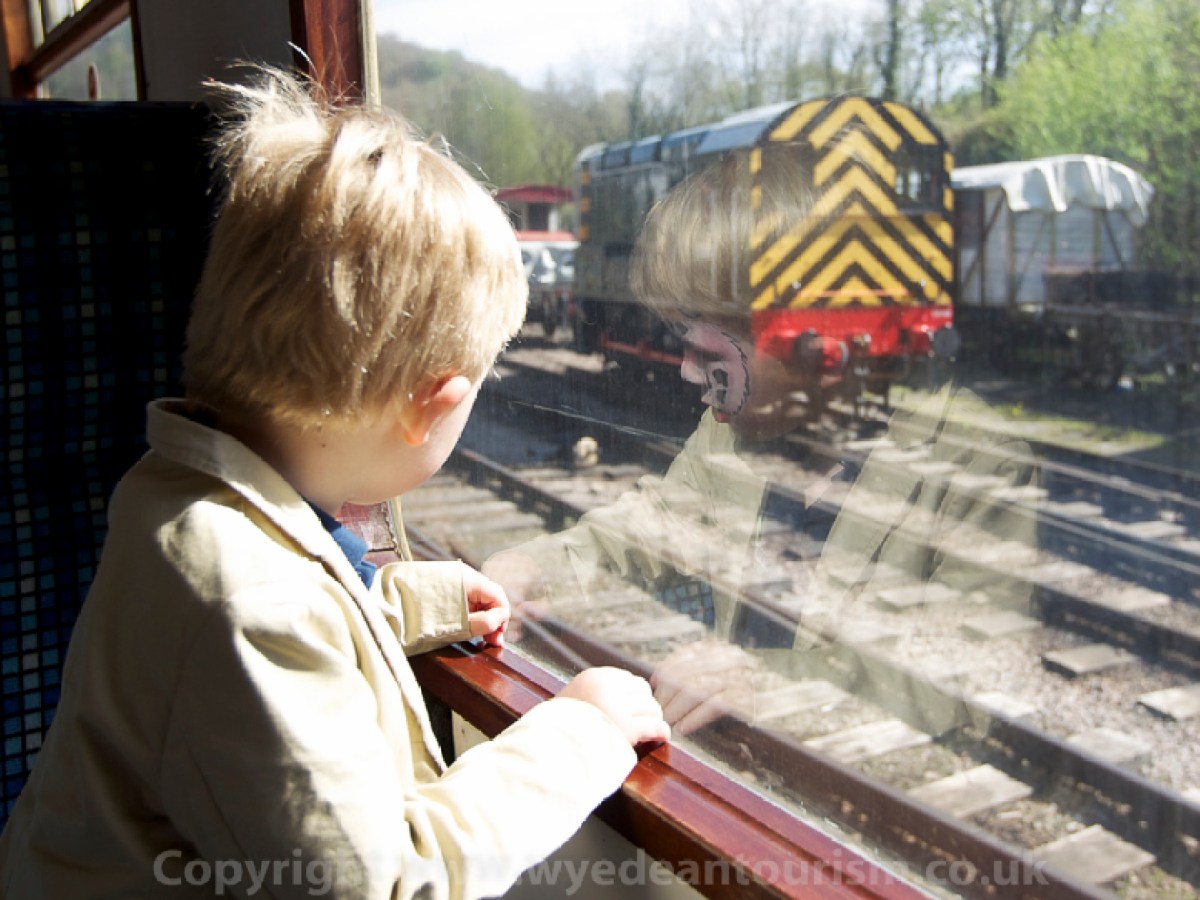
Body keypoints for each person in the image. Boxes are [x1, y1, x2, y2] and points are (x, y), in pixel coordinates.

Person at [0, 67, 668, 899]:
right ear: (431, 407)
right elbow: (386, 884)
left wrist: (408, 605)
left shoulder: (180, 496)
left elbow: (291, 631)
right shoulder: (244, 601)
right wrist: (583, 731)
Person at [484, 144, 1039, 736]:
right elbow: (652, 525)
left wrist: (767, 689)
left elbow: (969, 683)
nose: (686, 371)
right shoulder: (737, 425)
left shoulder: (974, 460)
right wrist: (532, 567)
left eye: (708, 349)